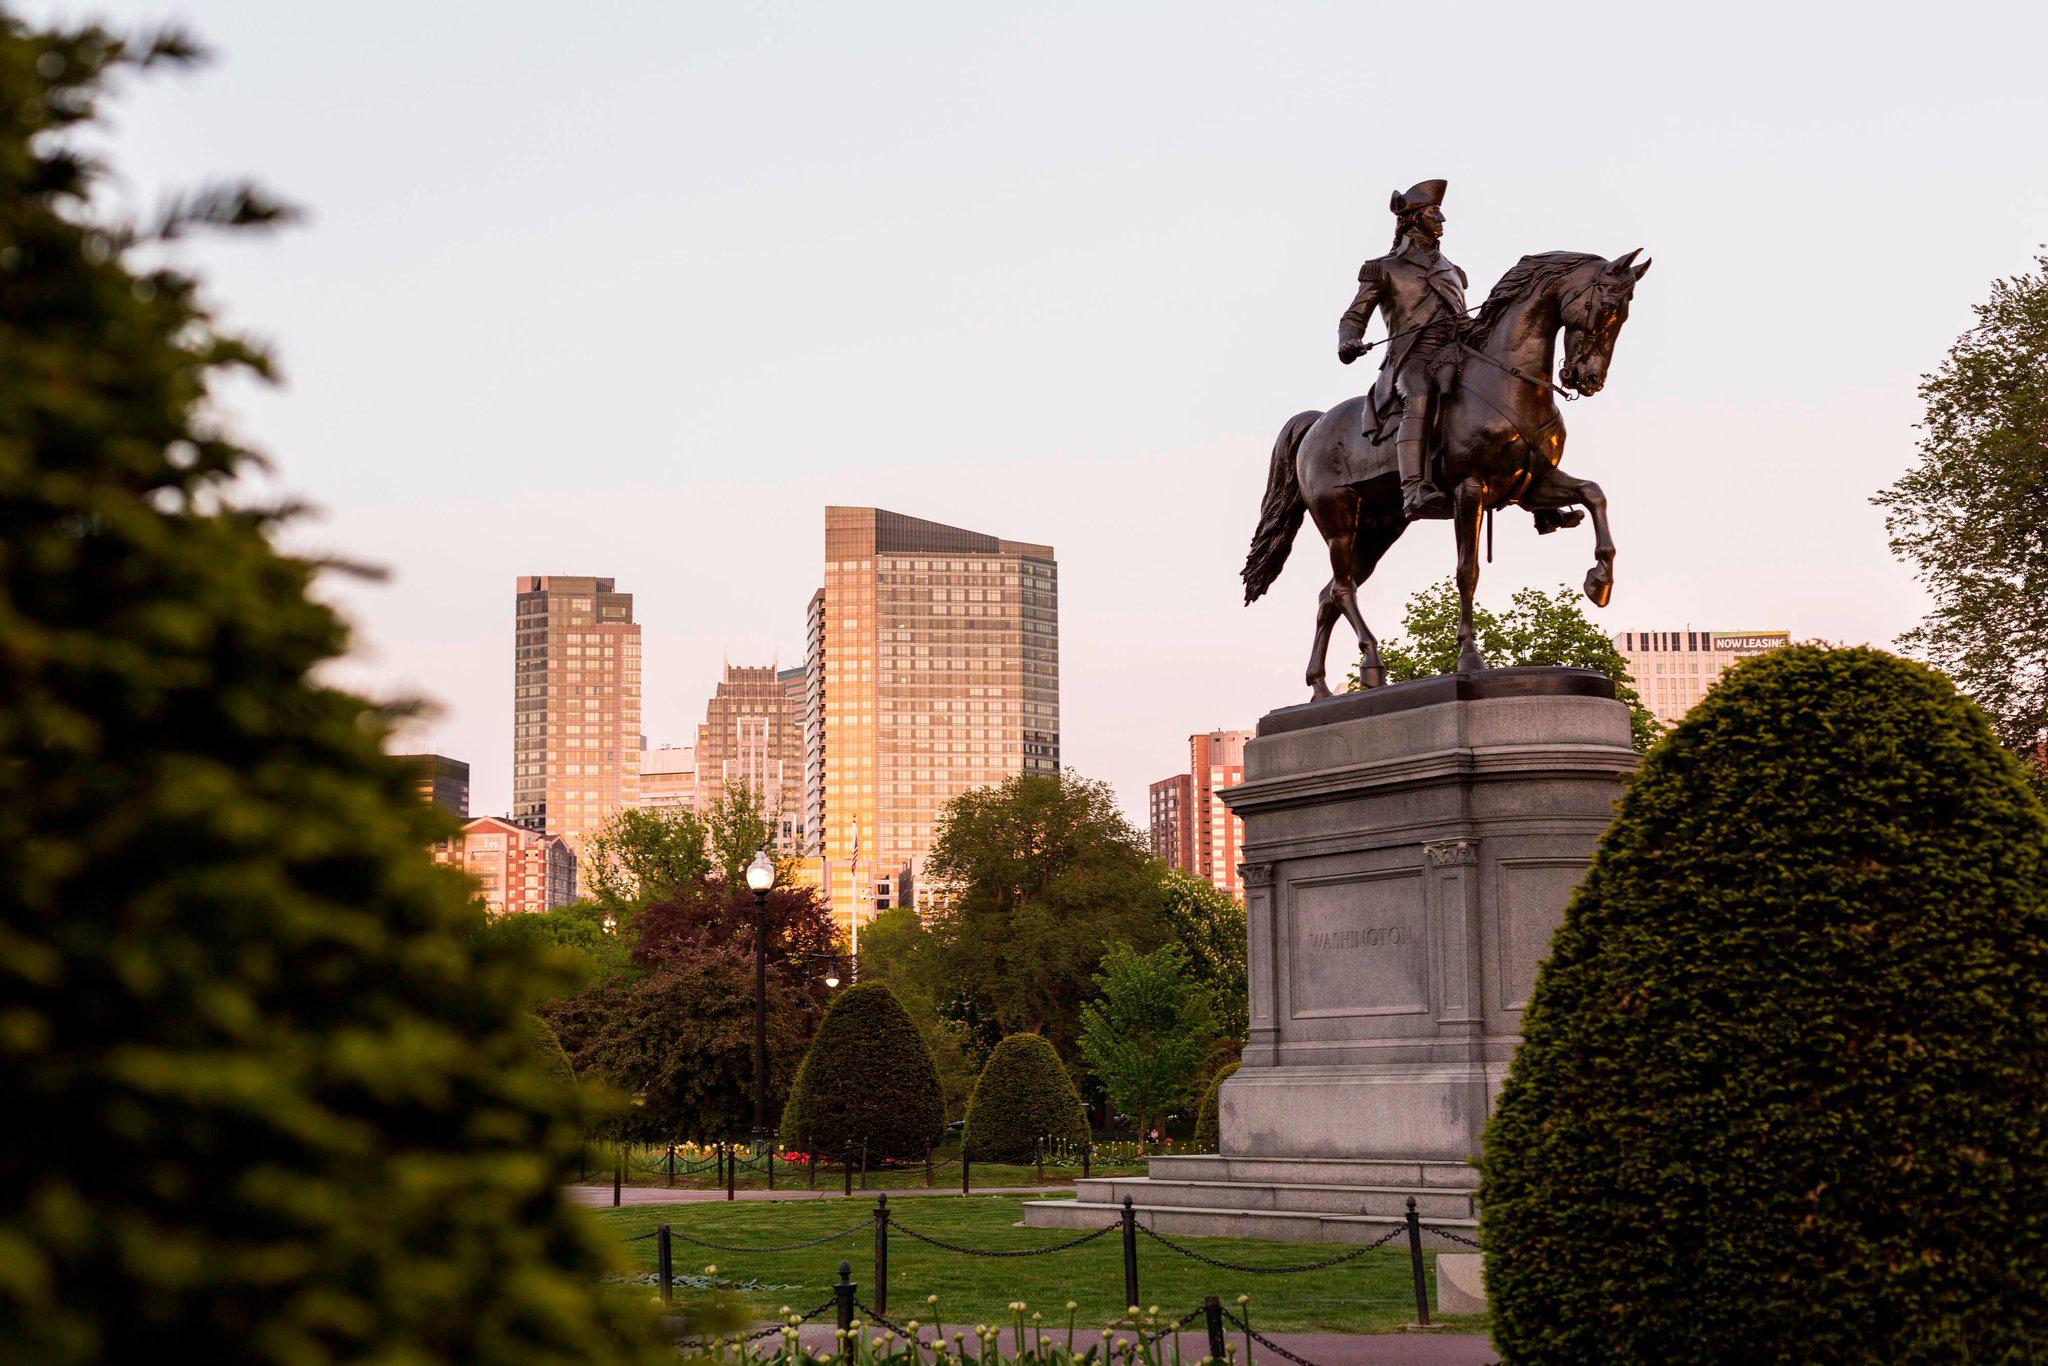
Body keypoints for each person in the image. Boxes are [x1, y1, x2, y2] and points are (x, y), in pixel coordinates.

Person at [1336, 178, 1469, 519]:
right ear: (1412, 219)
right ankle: (1413, 487)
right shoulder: (1385, 268)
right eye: (1433, 212)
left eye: (1440, 212)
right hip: (1411, 356)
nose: (1442, 219)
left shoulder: (1453, 271)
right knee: (1419, 393)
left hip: (1456, 352)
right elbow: (1353, 316)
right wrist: (1348, 341)